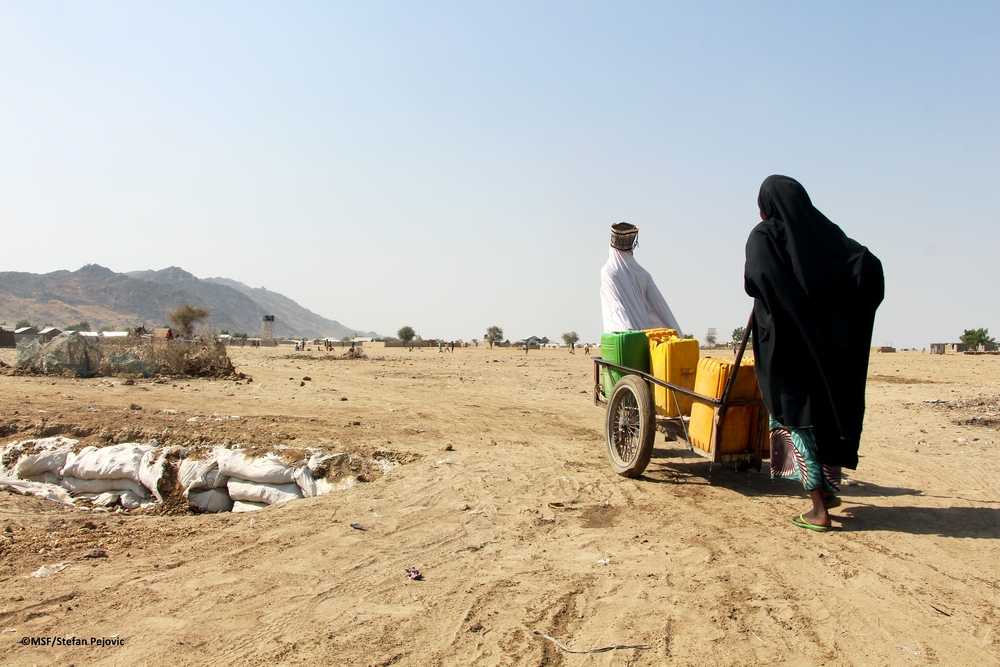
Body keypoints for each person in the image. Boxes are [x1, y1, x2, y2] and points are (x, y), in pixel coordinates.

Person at [744, 175, 884, 532]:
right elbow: (867, 266)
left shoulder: (762, 236)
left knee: (795, 417)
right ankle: (829, 489)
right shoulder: (821, 234)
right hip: (822, 350)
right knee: (820, 414)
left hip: (786, 349)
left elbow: (756, 279)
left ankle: (818, 506)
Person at [600, 222, 683, 335]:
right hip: (644, 337)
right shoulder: (643, 274)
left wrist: (627, 334)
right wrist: (678, 334)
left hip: (623, 339)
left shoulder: (608, 271)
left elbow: (616, 308)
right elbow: (661, 310)